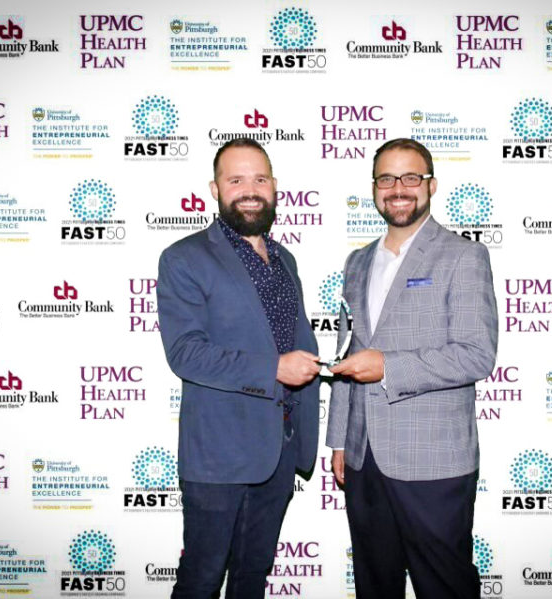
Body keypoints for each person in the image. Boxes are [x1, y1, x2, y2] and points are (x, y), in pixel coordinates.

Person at [327, 138, 499, 598]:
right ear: (374, 188)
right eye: (386, 178)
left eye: (410, 177)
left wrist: (388, 367)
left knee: (444, 586)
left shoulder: (463, 256)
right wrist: (341, 438)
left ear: (431, 185)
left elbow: (476, 353)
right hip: (364, 460)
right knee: (374, 585)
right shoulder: (357, 262)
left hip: (434, 461)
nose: (397, 188)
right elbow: (348, 350)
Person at [157, 138, 320, 599]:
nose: (250, 190)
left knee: (252, 581)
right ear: (214, 188)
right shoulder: (184, 257)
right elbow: (185, 352)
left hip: (280, 452)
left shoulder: (285, 259)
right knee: (202, 581)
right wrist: (273, 368)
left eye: (260, 179)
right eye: (237, 179)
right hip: (218, 457)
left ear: (274, 187)